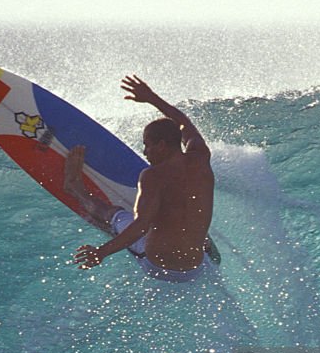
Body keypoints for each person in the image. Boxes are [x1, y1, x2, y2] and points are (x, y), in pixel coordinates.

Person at [63, 75, 215, 282]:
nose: (145, 152)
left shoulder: (153, 176)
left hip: (157, 266)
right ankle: (206, 245)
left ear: (161, 145)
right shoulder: (201, 156)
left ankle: (74, 187)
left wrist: (101, 252)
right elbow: (183, 123)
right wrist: (152, 98)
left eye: (147, 145)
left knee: (114, 215)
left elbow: (141, 225)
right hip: (194, 268)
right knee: (188, 222)